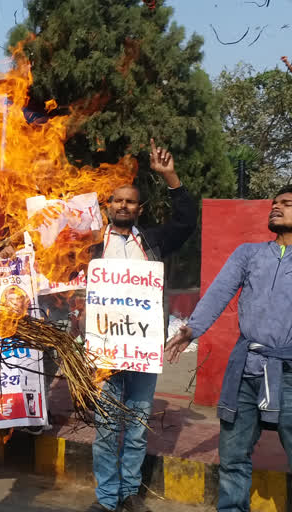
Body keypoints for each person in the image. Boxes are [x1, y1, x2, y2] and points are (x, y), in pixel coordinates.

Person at [165, 185, 292, 511]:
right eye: (274, 203)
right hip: (246, 370)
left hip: (290, 372)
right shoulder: (248, 254)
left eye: (287, 204)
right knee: (233, 457)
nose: (276, 208)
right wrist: (192, 329)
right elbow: (219, 293)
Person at [87, 139, 197, 512]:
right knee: (105, 429)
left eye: (130, 201)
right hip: (102, 350)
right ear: (107, 206)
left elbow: (185, 222)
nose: (123, 205)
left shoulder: (151, 240)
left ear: (139, 208)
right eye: (117, 200)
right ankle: (105, 499)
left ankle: (129, 493)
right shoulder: (89, 247)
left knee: (135, 426)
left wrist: (171, 177)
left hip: (142, 349)